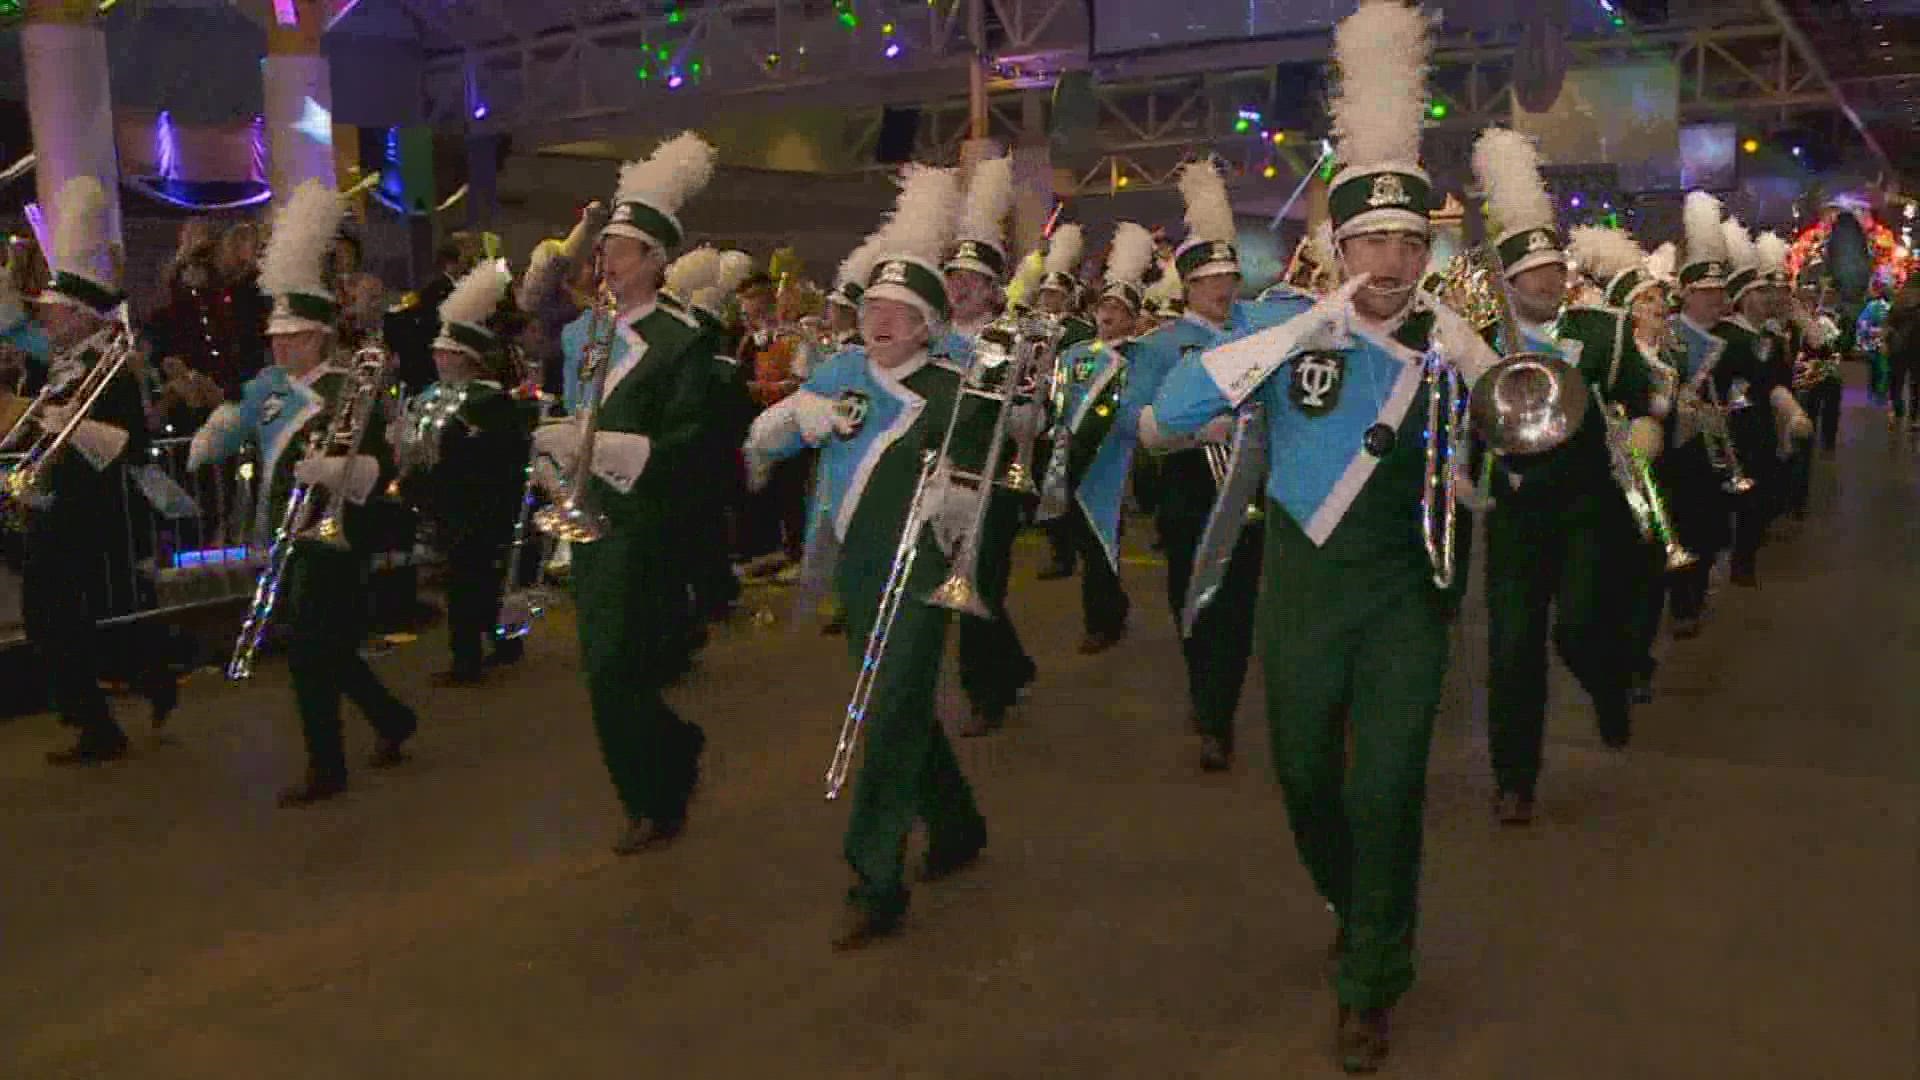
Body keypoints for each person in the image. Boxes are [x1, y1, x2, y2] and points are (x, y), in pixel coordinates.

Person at [1154, 4, 1501, 1067]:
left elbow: (1522, 443)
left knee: (1386, 786)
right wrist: (1307, 322)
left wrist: (1479, 365)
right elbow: (1160, 421)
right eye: (1372, 240)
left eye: (1411, 240)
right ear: (1334, 245)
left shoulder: (1453, 343)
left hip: (1402, 587)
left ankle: (1371, 975)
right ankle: (1360, 912)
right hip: (1300, 582)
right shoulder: (1272, 326)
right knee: (1306, 778)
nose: (1393, 259)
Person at [744, 164, 991, 949]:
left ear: (927, 326)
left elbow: (981, 498)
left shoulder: (957, 394)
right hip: (855, 567)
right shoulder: (840, 371)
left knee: (884, 719)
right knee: (902, 706)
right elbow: (759, 441)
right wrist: (798, 416)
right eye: (874, 306)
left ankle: (874, 877)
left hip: (919, 574)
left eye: (900, 311)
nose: (882, 320)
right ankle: (956, 824)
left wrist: (948, 503)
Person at [190, 181, 419, 805]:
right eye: (276, 338)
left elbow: (378, 468)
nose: (281, 345)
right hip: (287, 533)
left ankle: (327, 767)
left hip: (338, 538)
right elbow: (234, 425)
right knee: (329, 652)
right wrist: (212, 433)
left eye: (292, 337)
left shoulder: (353, 385)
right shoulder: (267, 385)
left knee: (311, 653)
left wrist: (334, 472)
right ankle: (393, 719)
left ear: (319, 336)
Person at [533, 132, 720, 854]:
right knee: (604, 666)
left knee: (614, 667)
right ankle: (672, 753)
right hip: (590, 520)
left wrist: (603, 449)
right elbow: (576, 410)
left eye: (620, 251)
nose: (604, 262)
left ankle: (653, 798)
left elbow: (692, 443)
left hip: (648, 522)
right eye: (604, 249)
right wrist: (555, 455)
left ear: (655, 261)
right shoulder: (585, 330)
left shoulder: (683, 339)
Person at [1473, 127, 1664, 822]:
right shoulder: (1481, 344)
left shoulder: (1605, 332)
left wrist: (1648, 429)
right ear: (1509, 280)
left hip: (1589, 507)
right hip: (1515, 510)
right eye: (1534, 274)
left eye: (1556, 271)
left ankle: (1610, 690)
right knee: (1512, 649)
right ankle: (1513, 778)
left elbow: (1647, 398)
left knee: (1580, 628)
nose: (1550, 282)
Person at [1096, 159, 1295, 773]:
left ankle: (1216, 716)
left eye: (1229, 277)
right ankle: (1204, 691)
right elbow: (1130, 418)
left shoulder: (1257, 332)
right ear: (1187, 286)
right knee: (1193, 598)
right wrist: (1182, 431)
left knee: (1236, 608)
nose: (1223, 289)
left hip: (1252, 489)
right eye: (1210, 281)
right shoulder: (1159, 346)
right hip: (1189, 492)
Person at [18, 176, 159, 764]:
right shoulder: (57, 368)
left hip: (90, 510)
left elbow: (131, 444)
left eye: (55, 313)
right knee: (54, 614)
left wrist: (70, 426)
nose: (47, 322)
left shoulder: (113, 370)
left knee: (66, 614)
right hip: (54, 505)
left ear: (81, 317)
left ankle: (98, 721)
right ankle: (102, 706)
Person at [932, 156, 1036, 737]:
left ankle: (985, 694)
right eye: (953, 278)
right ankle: (1014, 665)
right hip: (942, 475)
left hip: (991, 478)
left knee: (977, 584)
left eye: (971, 281)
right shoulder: (931, 339)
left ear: (993, 289)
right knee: (967, 584)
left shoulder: (1010, 341)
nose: (960, 288)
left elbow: (1031, 415)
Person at [395, 261, 536, 685]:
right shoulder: (439, 398)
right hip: (457, 505)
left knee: (468, 582)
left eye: (445, 352)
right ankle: (502, 642)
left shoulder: (487, 403)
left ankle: (468, 659)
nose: (437, 359)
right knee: (479, 580)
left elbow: (489, 456)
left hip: (478, 505)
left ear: (465, 357)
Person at [1034, 221, 1155, 655]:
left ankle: (1102, 621)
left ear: (1133, 317)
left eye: (1119, 310)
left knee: (1103, 543)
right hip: (1071, 454)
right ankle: (1112, 609)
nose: (1108, 315)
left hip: (1113, 461)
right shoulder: (1076, 353)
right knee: (1087, 543)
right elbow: (1058, 399)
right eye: (1104, 307)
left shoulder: (1140, 357)